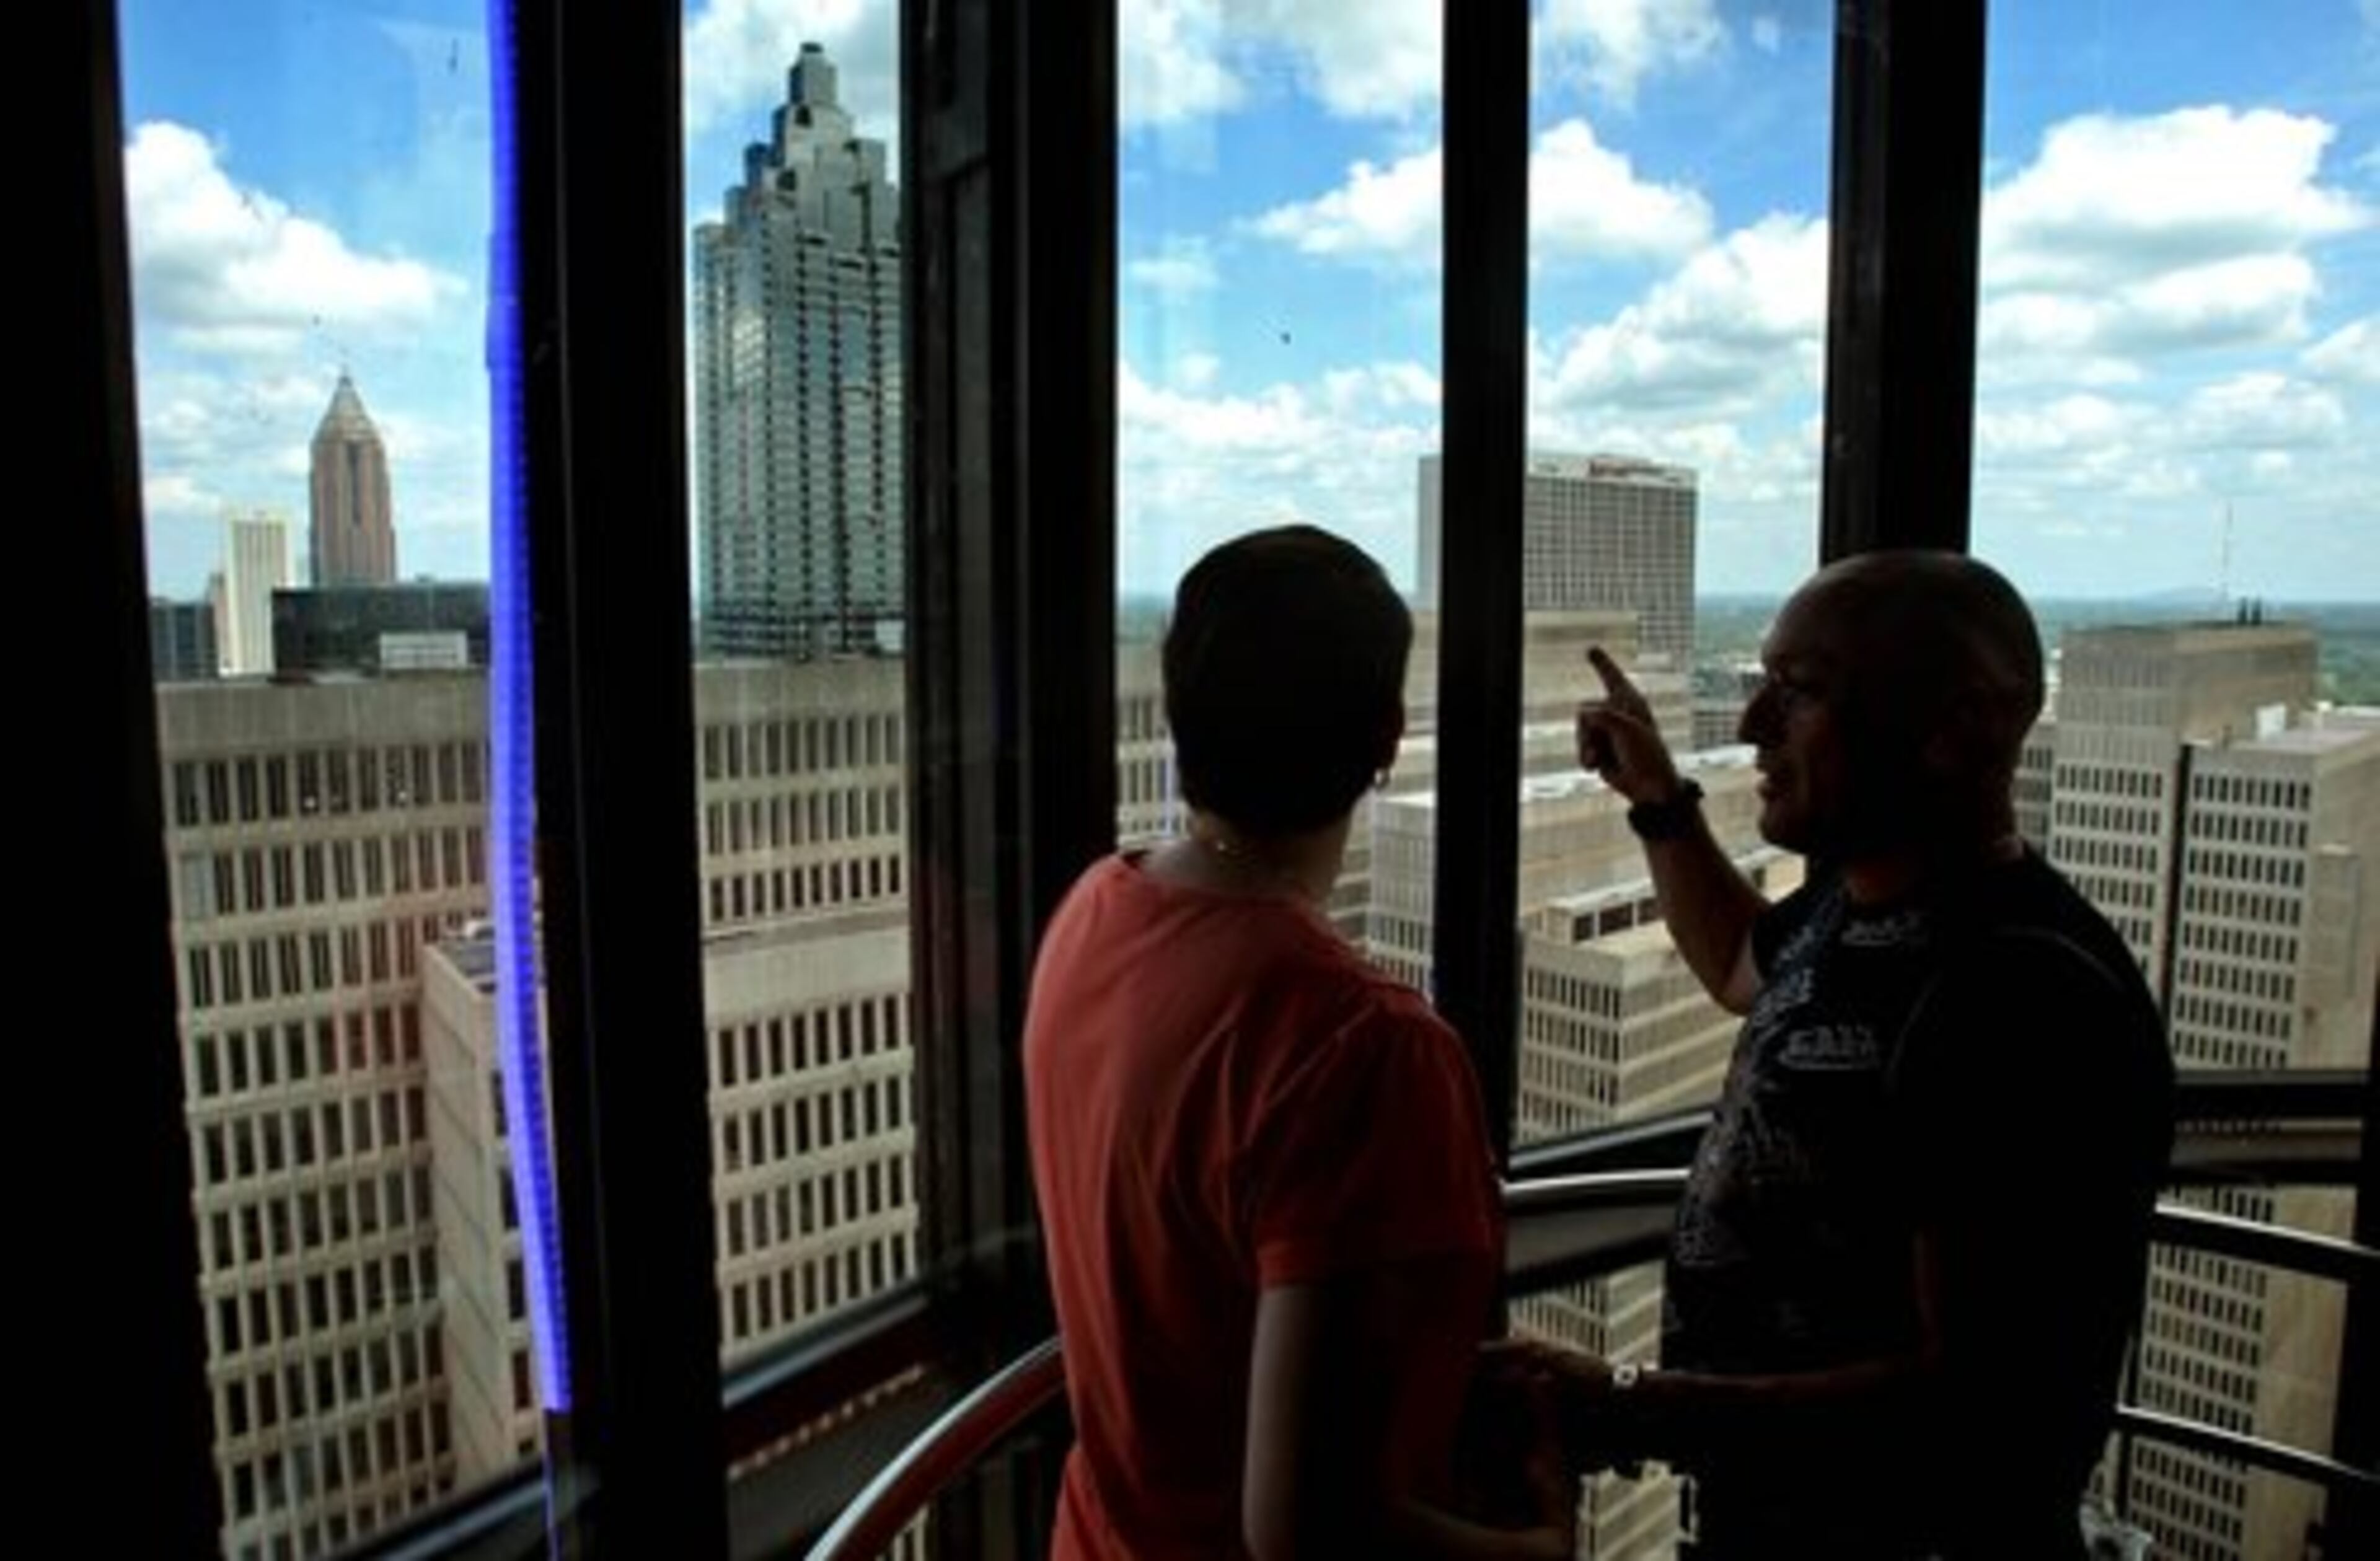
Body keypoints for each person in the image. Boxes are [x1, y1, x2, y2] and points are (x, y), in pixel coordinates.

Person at [1536, 550, 2175, 1558]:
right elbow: (1745, 966)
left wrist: (1635, 1406)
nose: (1751, 725)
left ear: (1957, 728)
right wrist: (1659, 800)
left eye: (1799, 692)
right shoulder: (1862, 897)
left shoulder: (2020, 997)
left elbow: (1973, 1404)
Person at [1024, 526, 1571, 1560]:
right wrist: (1545, 1550)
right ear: (1388, 737)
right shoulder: (1363, 1047)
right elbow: (1308, 1531)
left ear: (1181, 711)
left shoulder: (1095, 912)